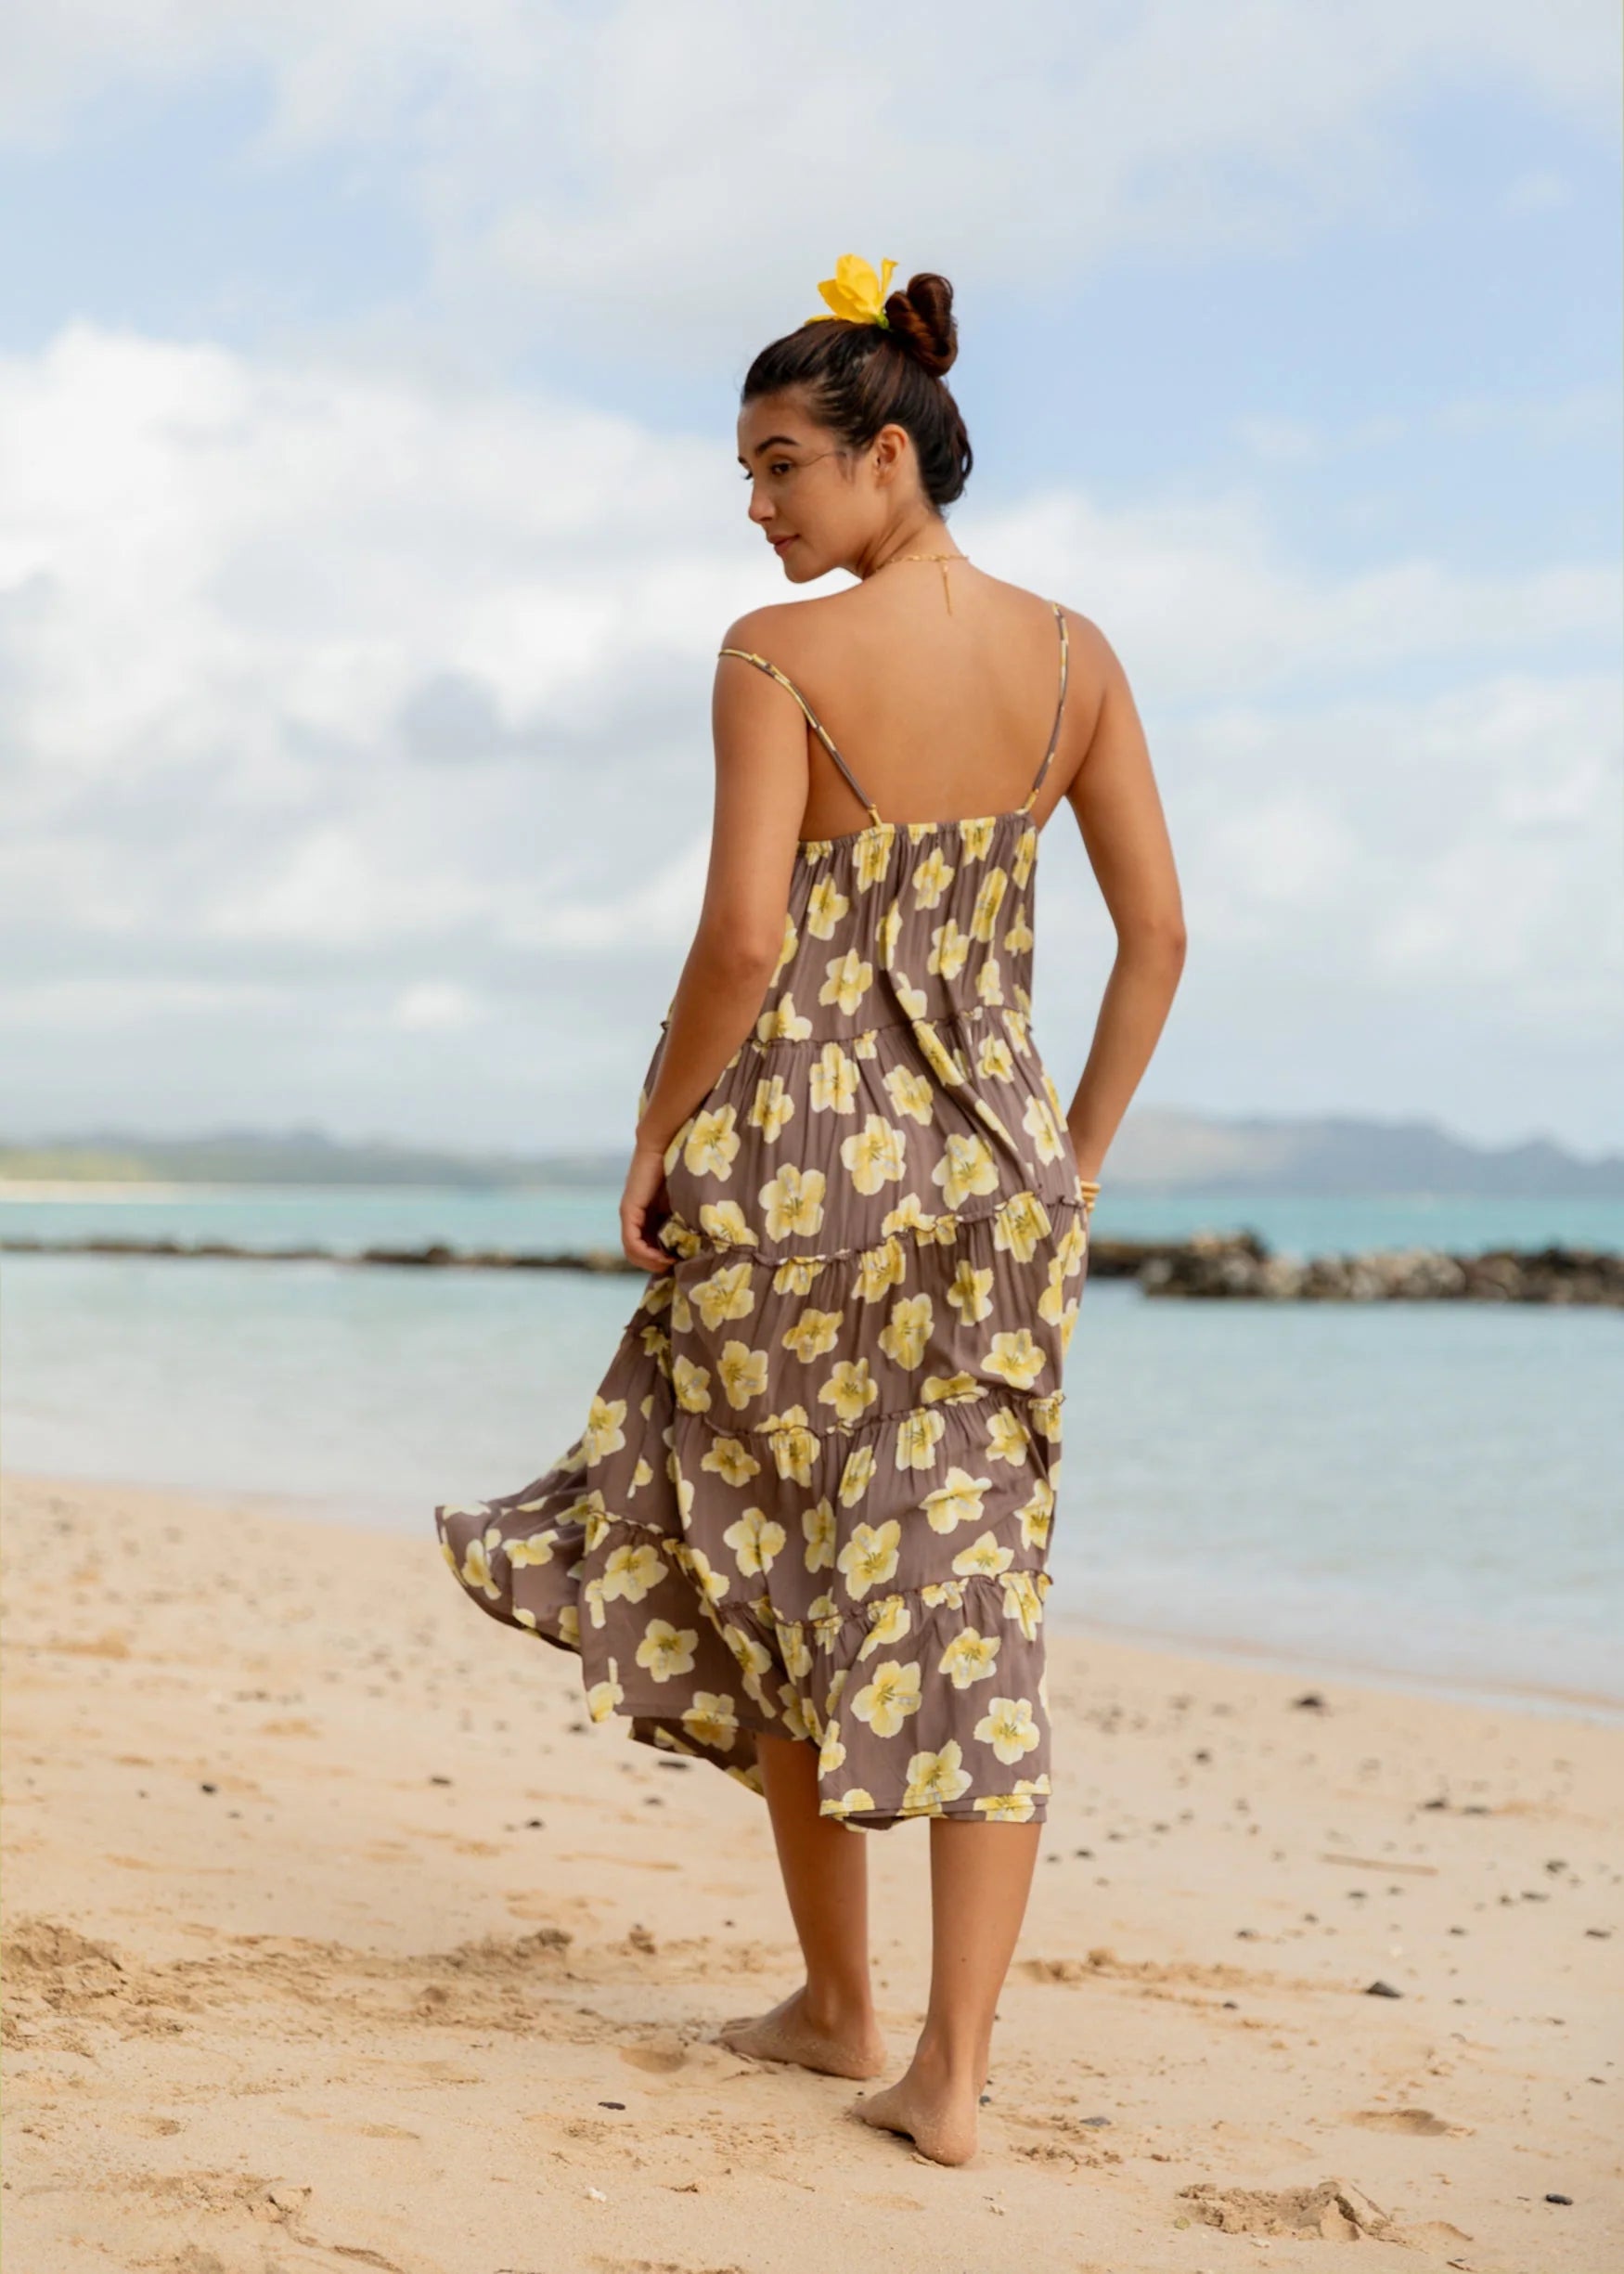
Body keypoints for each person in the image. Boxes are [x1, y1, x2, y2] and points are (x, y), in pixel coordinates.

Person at [436, 255, 1185, 2166]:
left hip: (791, 1178)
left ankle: (839, 2000)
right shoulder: (1076, 657)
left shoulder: (774, 658)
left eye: (780, 462)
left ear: (883, 455)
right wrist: (1074, 1153)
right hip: (996, 1196)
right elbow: (1157, 939)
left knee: (776, 1571)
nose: (756, 503)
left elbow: (742, 941)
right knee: (968, 1600)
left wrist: (648, 1132)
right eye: (747, 471)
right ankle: (944, 2068)